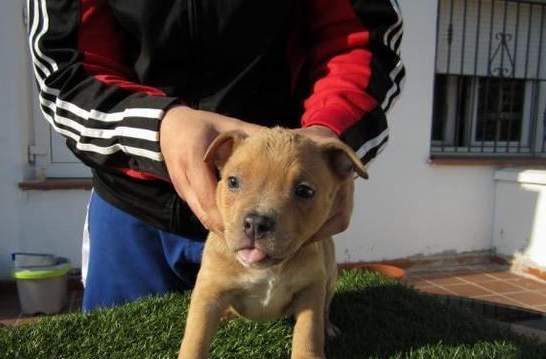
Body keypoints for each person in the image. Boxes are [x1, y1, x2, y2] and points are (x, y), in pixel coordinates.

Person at [27, 0, 405, 311]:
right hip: (133, 209)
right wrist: (159, 126)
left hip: (286, 208)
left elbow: (361, 40)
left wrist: (331, 137)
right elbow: (66, 70)